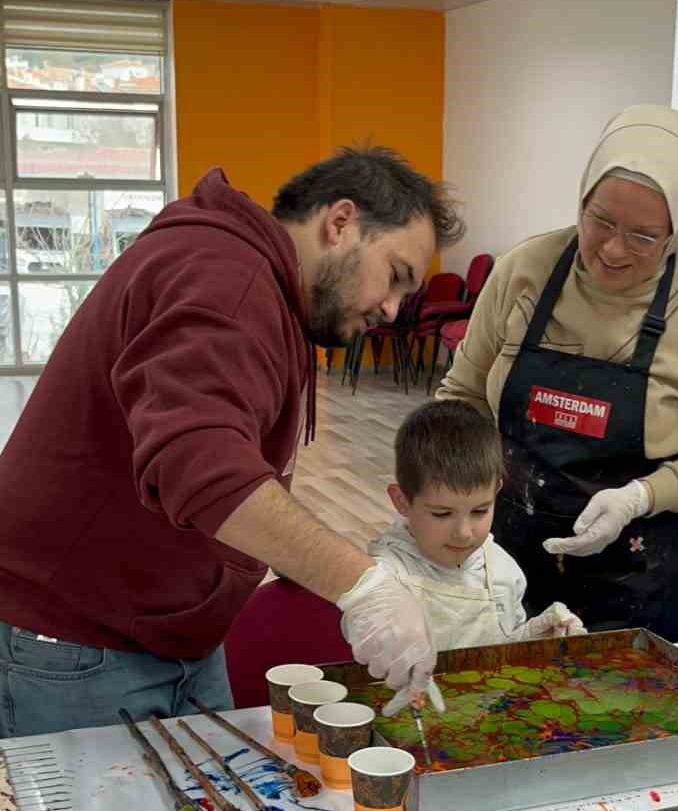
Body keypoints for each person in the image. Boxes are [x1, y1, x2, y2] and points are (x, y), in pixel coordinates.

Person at [0, 148, 465, 736]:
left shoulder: (262, 285)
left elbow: (233, 462)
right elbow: (199, 463)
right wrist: (358, 583)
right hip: (80, 642)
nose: (395, 310)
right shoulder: (228, 278)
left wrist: (295, 557)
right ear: (340, 223)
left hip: (171, 631)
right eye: (395, 275)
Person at [436, 105, 678, 642]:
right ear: (582, 199)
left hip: (643, 585)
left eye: (643, 236)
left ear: (676, 232)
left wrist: (639, 497)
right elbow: (463, 394)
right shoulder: (525, 273)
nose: (613, 249)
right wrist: (451, 500)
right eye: (601, 221)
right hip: (509, 562)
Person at [369, 400, 584, 652]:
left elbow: (498, 654)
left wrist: (533, 639)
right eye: (442, 514)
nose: (463, 533)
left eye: (480, 511)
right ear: (402, 501)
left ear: (496, 492)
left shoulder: (504, 572)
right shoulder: (383, 575)